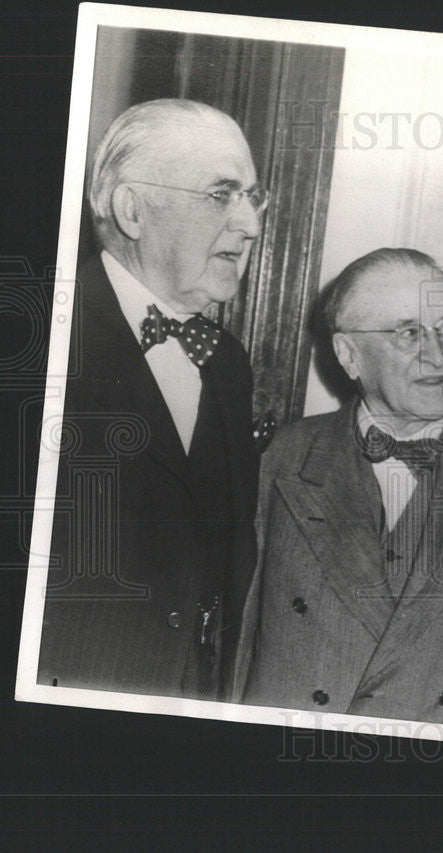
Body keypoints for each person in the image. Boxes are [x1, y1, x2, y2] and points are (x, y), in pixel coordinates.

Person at [233, 248, 443, 726]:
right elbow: (234, 637)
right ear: (348, 354)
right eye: (409, 333)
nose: (439, 355)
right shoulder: (279, 458)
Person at [38, 98, 264, 699]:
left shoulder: (229, 364)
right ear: (132, 210)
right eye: (221, 194)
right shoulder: (45, 338)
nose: (251, 226)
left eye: (251, 197)